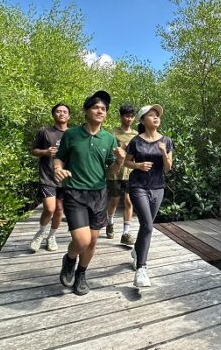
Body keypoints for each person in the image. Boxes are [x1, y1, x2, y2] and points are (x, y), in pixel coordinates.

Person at [53, 90, 126, 295]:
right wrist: (58, 169)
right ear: (86, 111)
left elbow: (110, 171)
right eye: (95, 107)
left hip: (98, 194)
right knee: (82, 240)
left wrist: (120, 161)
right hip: (74, 192)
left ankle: (81, 274)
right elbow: (59, 158)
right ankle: (69, 260)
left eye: (103, 109)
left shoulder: (109, 139)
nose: (100, 111)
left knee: (93, 240)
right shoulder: (71, 134)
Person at [124, 104, 173, 287]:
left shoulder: (166, 141)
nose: (156, 118)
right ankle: (141, 269)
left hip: (158, 187)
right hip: (138, 186)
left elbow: (168, 168)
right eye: (151, 115)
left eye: (157, 115)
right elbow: (127, 163)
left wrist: (163, 153)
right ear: (143, 120)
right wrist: (138, 166)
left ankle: (137, 252)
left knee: (147, 226)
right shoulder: (136, 141)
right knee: (147, 225)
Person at [28, 103, 70, 253]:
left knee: (59, 210)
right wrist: (45, 152)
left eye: (65, 112)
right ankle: (40, 233)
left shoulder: (73, 134)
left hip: (66, 178)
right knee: (49, 208)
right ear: (53, 115)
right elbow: (33, 151)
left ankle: (51, 236)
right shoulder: (45, 132)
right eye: (58, 111)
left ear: (69, 116)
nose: (61, 114)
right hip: (47, 175)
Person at [105, 104, 138, 245]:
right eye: (127, 116)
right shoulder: (112, 133)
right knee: (114, 201)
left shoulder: (136, 135)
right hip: (115, 173)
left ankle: (126, 233)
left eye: (132, 116)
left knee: (129, 201)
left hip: (130, 173)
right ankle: (110, 222)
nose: (129, 119)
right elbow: (108, 152)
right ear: (121, 116)